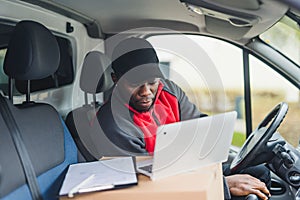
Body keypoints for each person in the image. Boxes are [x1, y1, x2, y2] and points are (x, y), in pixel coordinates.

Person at [97, 37, 271, 200]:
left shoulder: (170, 90)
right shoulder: (112, 125)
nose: (146, 92)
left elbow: (198, 128)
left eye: (152, 81)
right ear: (116, 79)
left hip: (185, 166)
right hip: (159, 185)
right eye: (134, 84)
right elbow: (144, 187)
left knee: (259, 172)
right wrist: (223, 184)